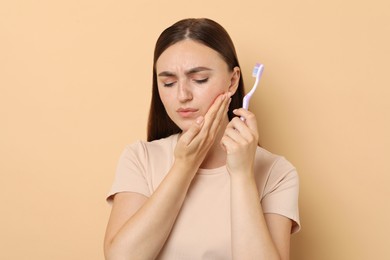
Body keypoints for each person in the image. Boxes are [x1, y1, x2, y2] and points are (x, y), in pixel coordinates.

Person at [104, 18, 300, 260]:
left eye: (199, 80)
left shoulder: (277, 172)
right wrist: (184, 165)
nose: (182, 95)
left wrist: (241, 175)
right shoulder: (140, 158)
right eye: (168, 83)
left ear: (233, 80)